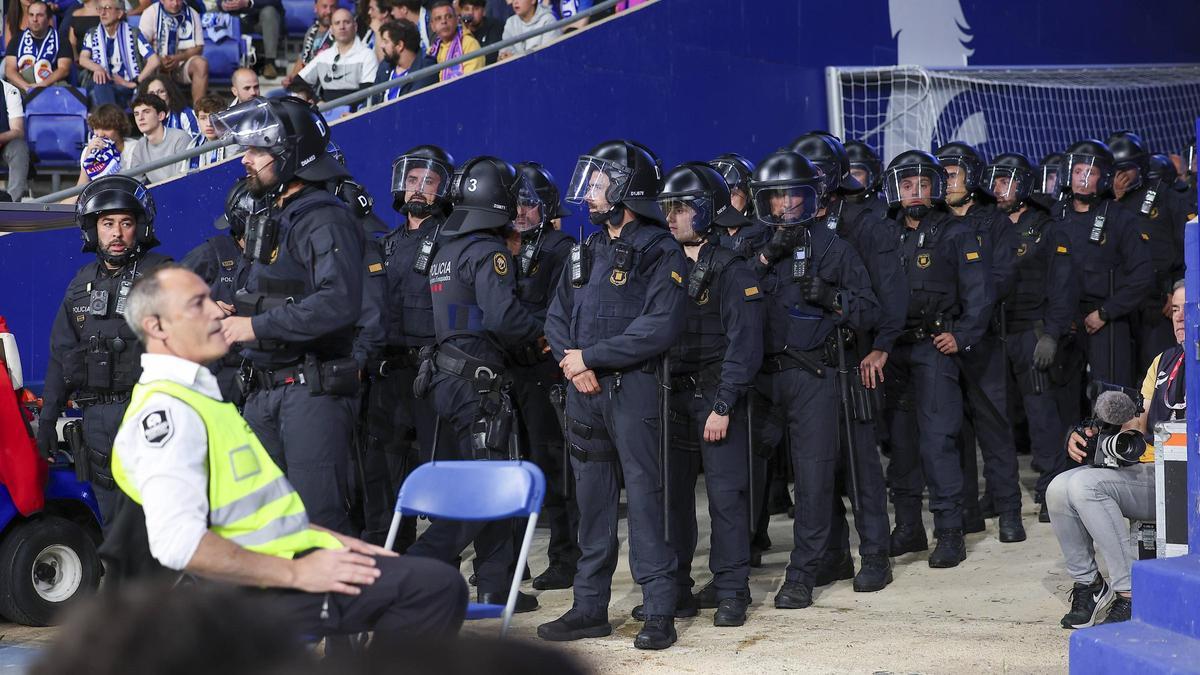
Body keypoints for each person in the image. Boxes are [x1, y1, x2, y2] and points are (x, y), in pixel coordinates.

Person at [102, 264, 468, 641]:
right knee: (434, 589)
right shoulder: (169, 413)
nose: (216, 311)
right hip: (249, 592)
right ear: (157, 327)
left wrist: (344, 544)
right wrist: (299, 574)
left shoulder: (195, 398)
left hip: (273, 572)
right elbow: (178, 544)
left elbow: (254, 519)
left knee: (426, 582)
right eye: (198, 304)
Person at [538, 140, 686, 650]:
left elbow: (660, 327)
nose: (590, 194)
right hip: (584, 392)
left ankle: (660, 610)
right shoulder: (585, 249)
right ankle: (588, 609)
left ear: (627, 189)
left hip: (635, 390)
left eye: (599, 184)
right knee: (592, 503)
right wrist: (572, 360)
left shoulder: (660, 249)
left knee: (646, 501)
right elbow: (556, 317)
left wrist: (591, 358)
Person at [212, 96, 366, 535]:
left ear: (290, 154)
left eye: (257, 151)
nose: (246, 160)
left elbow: (338, 303)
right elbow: (276, 292)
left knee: (319, 524)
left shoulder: (325, 218)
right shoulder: (275, 214)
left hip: (309, 394)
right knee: (270, 526)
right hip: (265, 393)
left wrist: (253, 325)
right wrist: (230, 309)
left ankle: (339, 606)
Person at [404, 155, 544, 613]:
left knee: (488, 479)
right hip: (477, 385)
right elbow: (502, 318)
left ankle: (495, 588)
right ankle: (412, 573)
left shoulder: (447, 249)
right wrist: (543, 333)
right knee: (487, 488)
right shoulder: (489, 251)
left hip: (447, 379)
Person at [745, 149, 879, 610]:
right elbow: (726, 295)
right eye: (775, 197)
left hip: (814, 376)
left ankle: (802, 573)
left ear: (811, 198)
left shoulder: (833, 247)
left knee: (814, 477)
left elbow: (868, 309)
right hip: (761, 379)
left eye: (793, 197)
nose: (784, 207)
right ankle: (741, 569)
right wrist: (765, 257)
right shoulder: (750, 245)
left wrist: (833, 297)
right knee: (749, 476)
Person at [653, 162, 763, 627]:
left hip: (717, 397)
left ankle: (733, 590)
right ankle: (676, 588)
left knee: (726, 498)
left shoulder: (734, 269)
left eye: (682, 209)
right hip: (671, 399)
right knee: (673, 500)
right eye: (669, 208)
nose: (673, 217)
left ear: (706, 211)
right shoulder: (663, 262)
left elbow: (746, 343)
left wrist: (723, 405)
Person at [789, 131, 899, 591]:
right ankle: (833, 555)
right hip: (809, 362)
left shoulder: (866, 225)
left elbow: (891, 296)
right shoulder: (791, 226)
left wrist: (883, 345)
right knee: (817, 467)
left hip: (857, 354)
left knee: (860, 464)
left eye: (813, 176)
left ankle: (875, 554)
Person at [36, 175, 172, 526]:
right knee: (113, 525)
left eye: (125, 223)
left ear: (139, 227)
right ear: (92, 229)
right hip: (96, 423)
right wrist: (47, 423)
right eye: (107, 223)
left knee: (160, 522)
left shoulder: (164, 275)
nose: (116, 233)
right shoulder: (80, 283)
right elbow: (60, 357)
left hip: (150, 416)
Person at [1050, 280, 1186, 628]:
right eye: (1174, 309)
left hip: (1186, 481)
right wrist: (1099, 434)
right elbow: (1137, 423)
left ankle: (1128, 593)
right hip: (1152, 472)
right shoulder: (1165, 360)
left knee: (1086, 488)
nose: (1180, 317)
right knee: (1059, 488)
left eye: (1190, 308)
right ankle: (1089, 585)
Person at [881, 150, 991, 568]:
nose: (916, 192)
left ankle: (950, 532)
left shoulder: (955, 231)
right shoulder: (885, 233)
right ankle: (909, 528)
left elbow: (979, 293)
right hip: (894, 351)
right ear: (896, 189)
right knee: (901, 445)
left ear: (936, 188)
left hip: (933, 348)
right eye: (908, 185)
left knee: (937, 443)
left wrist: (960, 336)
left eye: (924, 185)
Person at [359, 144, 455, 550]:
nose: (418, 189)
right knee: (387, 477)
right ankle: (392, 561)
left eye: (428, 182)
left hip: (433, 372)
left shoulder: (453, 239)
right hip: (388, 376)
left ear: (443, 188)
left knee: (441, 475)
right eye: (412, 180)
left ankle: (440, 568)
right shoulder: (387, 242)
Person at [935, 141, 1024, 542]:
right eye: (942, 175)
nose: (946, 181)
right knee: (952, 431)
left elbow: (1002, 279)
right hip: (941, 340)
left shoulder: (994, 222)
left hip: (985, 337)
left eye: (952, 174)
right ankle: (968, 514)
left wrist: (970, 311)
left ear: (971, 177)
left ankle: (1009, 513)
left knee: (995, 429)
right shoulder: (934, 222)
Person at [986, 152, 1077, 523]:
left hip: (1032, 332)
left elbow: (1063, 286)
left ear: (1023, 184)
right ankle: (999, 491)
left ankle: (1049, 491)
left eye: (1005, 181)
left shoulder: (1046, 226)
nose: (997, 189)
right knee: (995, 417)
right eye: (994, 181)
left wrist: (1052, 334)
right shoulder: (987, 224)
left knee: (1041, 415)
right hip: (994, 334)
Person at [509, 161, 578, 591]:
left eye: (530, 204)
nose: (520, 211)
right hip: (511, 371)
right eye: (515, 203)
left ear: (548, 207)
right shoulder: (502, 246)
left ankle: (566, 557)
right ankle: (515, 564)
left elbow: (560, 312)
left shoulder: (562, 247)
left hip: (547, 375)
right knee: (516, 467)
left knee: (556, 469)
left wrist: (526, 329)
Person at [1054, 139, 1153, 388]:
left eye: (1091, 173)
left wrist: (1106, 312)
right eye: (1078, 171)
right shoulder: (1055, 216)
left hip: (1106, 320)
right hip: (1063, 323)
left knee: (1111, 395)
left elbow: (1142, 275)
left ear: (1105, 177)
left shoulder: (1120, 218)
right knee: (1064, 398)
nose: (1083, 179)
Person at [1106, 131, 1187, 376]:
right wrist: (1115, 200)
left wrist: (1177, 289)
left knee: (1158, 368)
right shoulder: (1107, 204)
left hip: (1160, 301)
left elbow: (1185, 247)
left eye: (1126, 169)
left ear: (1140, 165)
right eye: (1115, 170)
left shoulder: (1164, 196)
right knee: (1125, 374)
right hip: (1121, 305)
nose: (1120, 177)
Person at [79, 0, 160, 108]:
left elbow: (154, 60)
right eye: (100, 9)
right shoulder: (92, 33)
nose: (102, 13)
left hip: (127, 85)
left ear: (120, 13)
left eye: (107, 8)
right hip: (104, 84)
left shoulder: (134, 34)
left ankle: (112, 121)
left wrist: (135, 82)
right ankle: (113, 121)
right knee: (100, 84)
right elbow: (83, 58)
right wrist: (98, 68)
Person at [298, 7, 378, 103]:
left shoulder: (367, 56)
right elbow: (298, 82)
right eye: (337, 23)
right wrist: (314, 99)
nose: (342, 27)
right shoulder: (324, 56)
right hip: (327, 113)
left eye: (346, 22)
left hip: (354, 114)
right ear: (331, 29)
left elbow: (367, 94)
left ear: (355, 27)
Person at [138, 0, 207, 104]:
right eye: (171, 0)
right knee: (151, 62)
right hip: (156, 64)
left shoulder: (192, 13)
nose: (175, 3)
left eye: (178, 0)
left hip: (181, 64)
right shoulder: (151, 12)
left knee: (201, 64)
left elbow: (199, 48)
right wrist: (159, 59)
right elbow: (141, 43)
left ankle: (200, 111)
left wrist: (178, 58)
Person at [707, 153, 771, 259]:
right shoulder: (709, 233)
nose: (725, 201)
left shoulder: (763, 232)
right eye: (720, 195)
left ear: (749, 194)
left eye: (732, 194)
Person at [123, 93, 192, 185]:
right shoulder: (140, 146)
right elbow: (135, 183)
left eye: (146, 112)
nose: (140, 118)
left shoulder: (180, 138)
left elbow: (183, 179)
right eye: (136, 114)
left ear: (161, 116)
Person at [4, 1, 71, 94]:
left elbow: (64, 69)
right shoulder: (16, 40)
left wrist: (42, 85)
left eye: (39, 15)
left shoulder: (61, 40)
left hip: (51, 86)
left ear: (48, 19)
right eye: (31, 15)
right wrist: (26, 87)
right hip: (22, 87)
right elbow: (10, 69)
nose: (34, 19)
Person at [370, 19, 434, 105]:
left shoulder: (426, 68)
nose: (382, 45)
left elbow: (411, 105)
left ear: (400, 45)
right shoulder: (385, 66)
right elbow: (372, 100)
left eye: (386, 41)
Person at [218, 0, 282, 78]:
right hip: (235, 19)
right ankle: (220, 63)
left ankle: (270, 63)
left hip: (258, 20)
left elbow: (276, 1)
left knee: (269, 12)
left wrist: (248, 3)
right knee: (210, 15)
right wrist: (223, 4)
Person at [283, 0, 337, 87]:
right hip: (305, 85)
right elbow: (303, 59)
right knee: (273, 95)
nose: (329, 11)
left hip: (322, 87)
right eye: (324, 6)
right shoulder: (311, 31)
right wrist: (291, 78)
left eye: (332, 7)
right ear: (315, 8)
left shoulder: (340, 33)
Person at [76, 103, 132, 186]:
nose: (100, 134)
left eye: (106, 128)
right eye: (96, 128)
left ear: (119, 128)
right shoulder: (89, 150)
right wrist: (87, 160)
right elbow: (79, 190)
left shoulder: (133, 147)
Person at [426, 0, 482, 82]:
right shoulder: (432, 51)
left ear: (456, 20)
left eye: (448, 16)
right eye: (438, 18)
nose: (444, 21)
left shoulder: (469, 44)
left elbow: (472, 81)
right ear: (432, 26)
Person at [0, 79, 29, 201]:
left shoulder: (9, 90)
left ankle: (12, 202)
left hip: (3, 146)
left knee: (19, 147)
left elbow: (18, 130)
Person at [188, 93, 229, 169]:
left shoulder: (232, 144)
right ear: (197, 120)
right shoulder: (192, 145)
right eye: (203, 118)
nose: (209, 124)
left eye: (213, 118)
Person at [458, 0, 502, 65]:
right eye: (466, 9)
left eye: (476, 9)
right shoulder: (457, 31)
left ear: (484, 11)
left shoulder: (495, 27)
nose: (471, 13)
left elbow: (491, 57)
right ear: (461, 12)